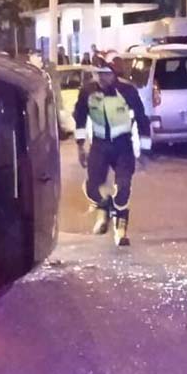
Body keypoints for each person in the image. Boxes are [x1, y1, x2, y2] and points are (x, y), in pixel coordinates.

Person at [73, 56, 152, 247]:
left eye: (106, 74)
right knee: (92, 188)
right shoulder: (87, 92)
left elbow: (142, 119)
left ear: (114, 74)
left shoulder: (127, 91)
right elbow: (80, 119)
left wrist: (144, 151)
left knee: (123, 187)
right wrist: (80, 146)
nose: (101, 78)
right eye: (98, 74)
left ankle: (121, 229)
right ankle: (104, 207)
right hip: (99, 145)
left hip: (123, 145)